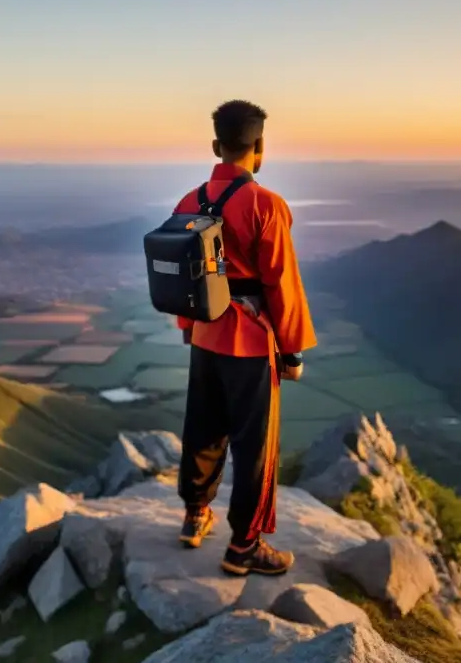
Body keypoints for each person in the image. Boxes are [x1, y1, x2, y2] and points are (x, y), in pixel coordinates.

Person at [172, 99, 316, 577]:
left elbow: (181, 273)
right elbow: (281, 282)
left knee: (203, 428)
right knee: (255, 448)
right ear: (259, 148)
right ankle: (244, 547)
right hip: (252, 343)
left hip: (205, 333)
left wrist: (190, 327)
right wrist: (291, 351)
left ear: (216, 145)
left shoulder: (189, 202)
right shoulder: (265, 205)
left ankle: (196, 516)